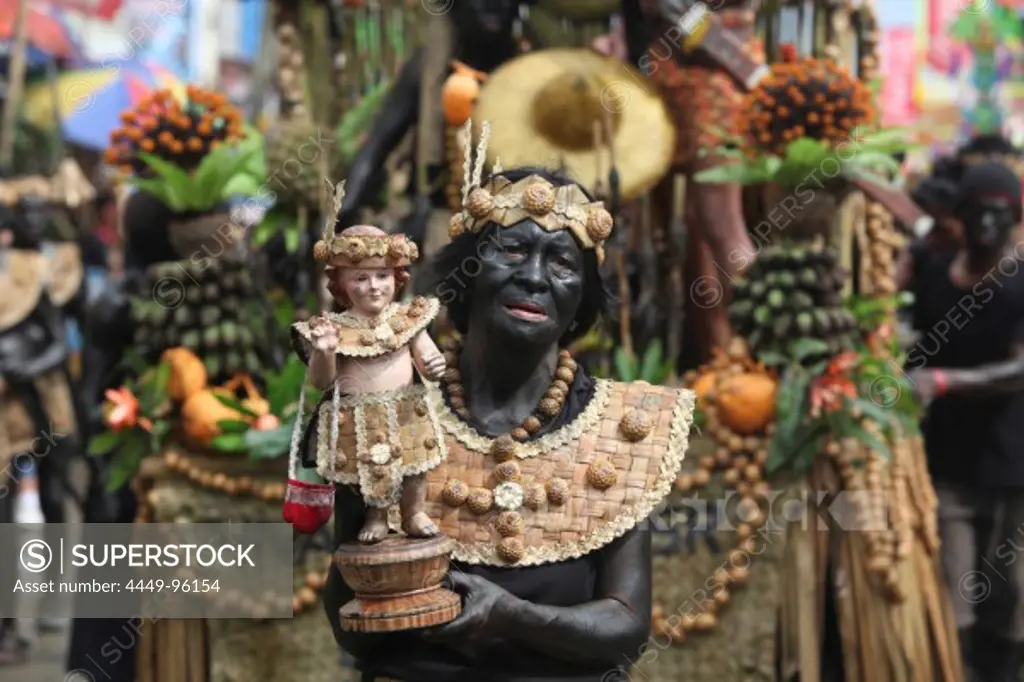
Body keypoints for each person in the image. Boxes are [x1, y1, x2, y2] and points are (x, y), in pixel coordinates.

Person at [302, 166, 695, 682]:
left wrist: (513, 617)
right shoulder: (387, 410)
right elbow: (348, 616)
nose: (533, 276)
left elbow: (625, 629)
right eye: (511, 250)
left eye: (560, 261)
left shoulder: (624, 430)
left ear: (582, 299)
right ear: (467, 273)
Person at [901, 161, 1024, 682]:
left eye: (998, 215)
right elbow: (915, 342)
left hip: (1011, 460)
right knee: (953, 583)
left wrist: (946, 382)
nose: (986, 226)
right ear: (959, 216)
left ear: (1014, 217)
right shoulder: (934, 271)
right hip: (946, 457)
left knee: (1010, 586)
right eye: (976, 213)